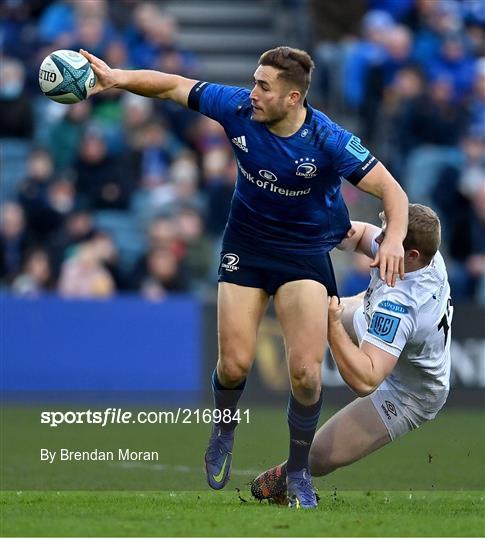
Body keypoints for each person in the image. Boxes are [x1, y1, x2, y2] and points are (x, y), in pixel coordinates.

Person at [80, 45, 408, 509]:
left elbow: (391, 190)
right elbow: (174, 86)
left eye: (263, 86)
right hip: (246, 247)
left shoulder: (329, 140)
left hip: (304, 254)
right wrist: (116, 78)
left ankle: (297, 472)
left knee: (306, 375)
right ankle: (225, 427)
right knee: (234, 365)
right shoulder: (237, 108)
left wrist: (393, 239)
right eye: (254, 80)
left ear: (292, 99)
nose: (252, 92)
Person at [250, 204, 453, 504]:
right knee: (313, 310)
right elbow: (357, 236)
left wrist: (333, 327)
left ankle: (291, 470)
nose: (381, 238)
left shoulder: (401, 306)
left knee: (318, 456)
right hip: (372, 316)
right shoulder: (421, 253)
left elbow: (365, 379)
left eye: (389, 236)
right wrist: (316, 228)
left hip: (409, 392)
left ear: (412, 256)